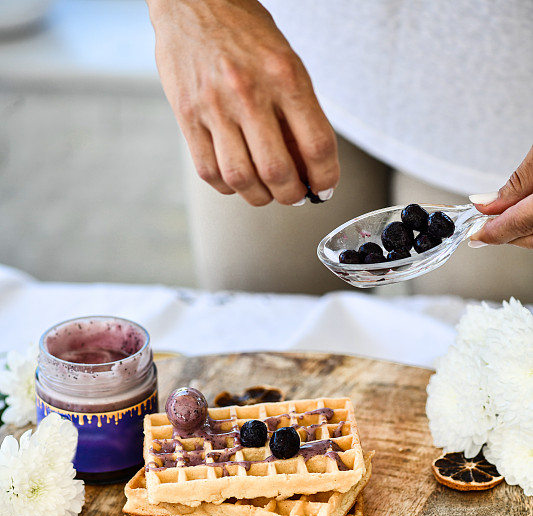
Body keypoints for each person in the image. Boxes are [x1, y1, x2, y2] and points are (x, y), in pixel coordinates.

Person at [146, 0, 533, 300]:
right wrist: (191, 12)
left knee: (491, 349)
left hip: (505, 99)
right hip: (282, 57)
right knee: (262, 320)